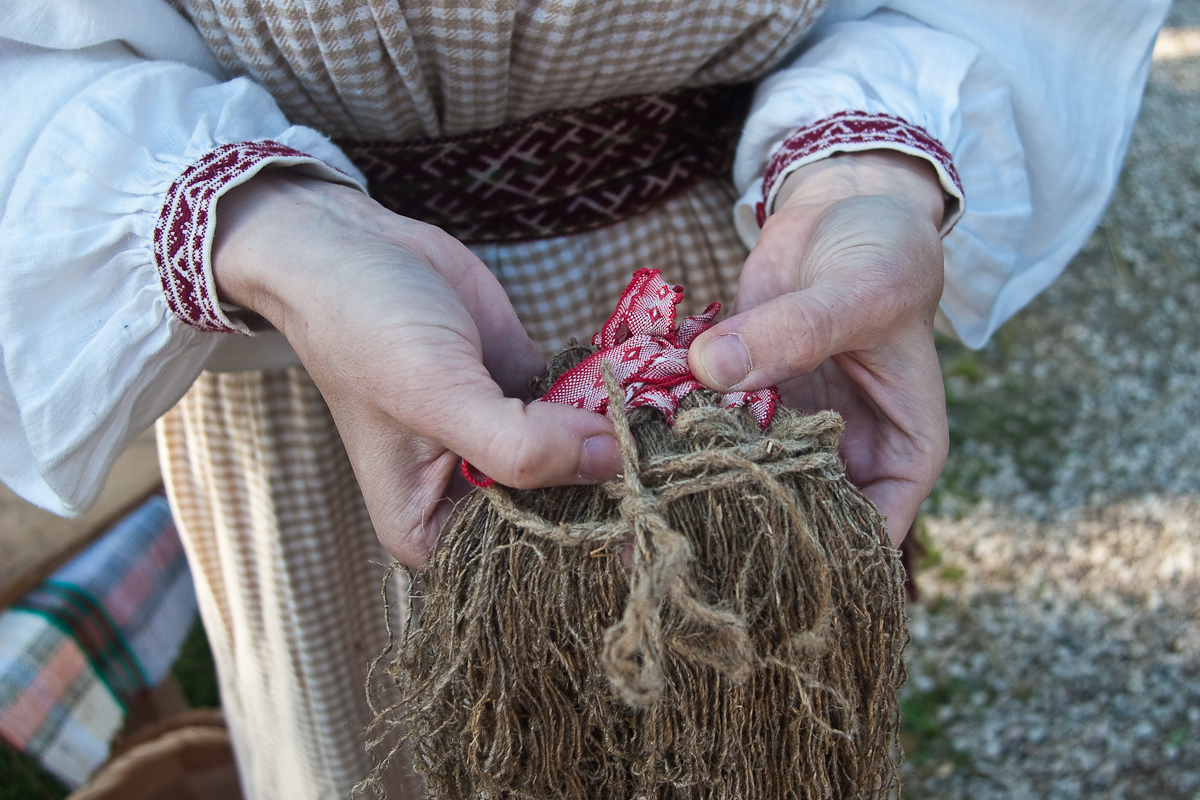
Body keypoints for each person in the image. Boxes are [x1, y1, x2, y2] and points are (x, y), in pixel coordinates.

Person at [0, 1, 1169, 797]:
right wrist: (272, 230)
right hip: (343, 369)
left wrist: (869, 171)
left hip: (750, 309)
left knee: (746, 741)